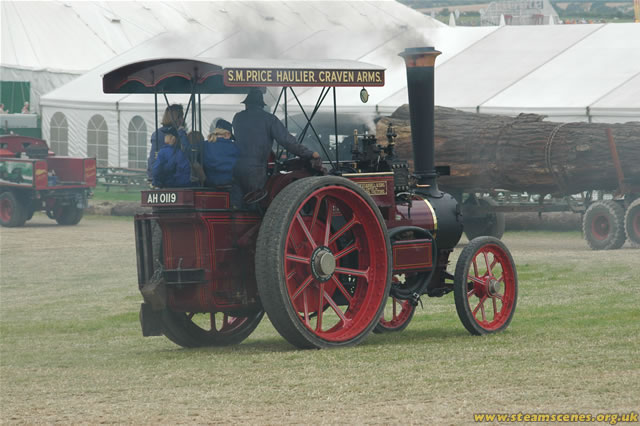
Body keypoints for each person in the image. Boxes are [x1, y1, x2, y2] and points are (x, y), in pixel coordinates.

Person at [232, 88, 320, 199]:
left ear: (246, 104)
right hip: (256, 169)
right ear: (262, 105)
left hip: (236, 167)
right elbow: (287, 141)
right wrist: (309, 153)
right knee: (255, 201)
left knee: (238, 202)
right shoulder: (270, 119)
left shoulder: (238, 117)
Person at [147, 104, 188, 180]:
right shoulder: (161, 134)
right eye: (180, 117)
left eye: (182, 117)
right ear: (173, 118)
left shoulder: (179, 133)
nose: (182, 120)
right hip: (165, 176)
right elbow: (155, 159)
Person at [203, 119, 238, 187]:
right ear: (228, 134)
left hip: (209, 186)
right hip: (229, 186)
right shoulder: (234, 147)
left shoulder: (204, 145)